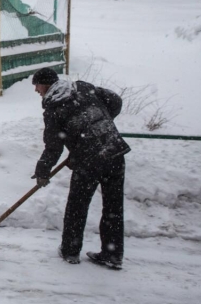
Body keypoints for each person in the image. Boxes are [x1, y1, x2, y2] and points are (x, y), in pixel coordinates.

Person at [31, 67, 130, 270]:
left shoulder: (54, 108)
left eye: (37, 85)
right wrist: (100, 126)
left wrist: (42, 171)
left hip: (89, 161)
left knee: (77, 206)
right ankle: (112, 254)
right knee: (114, 208)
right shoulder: (83, 88)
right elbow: (115, 101)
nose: (36, 90)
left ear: (46, 84)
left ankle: (71, 251)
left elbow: (53, 146)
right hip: (113, 152)